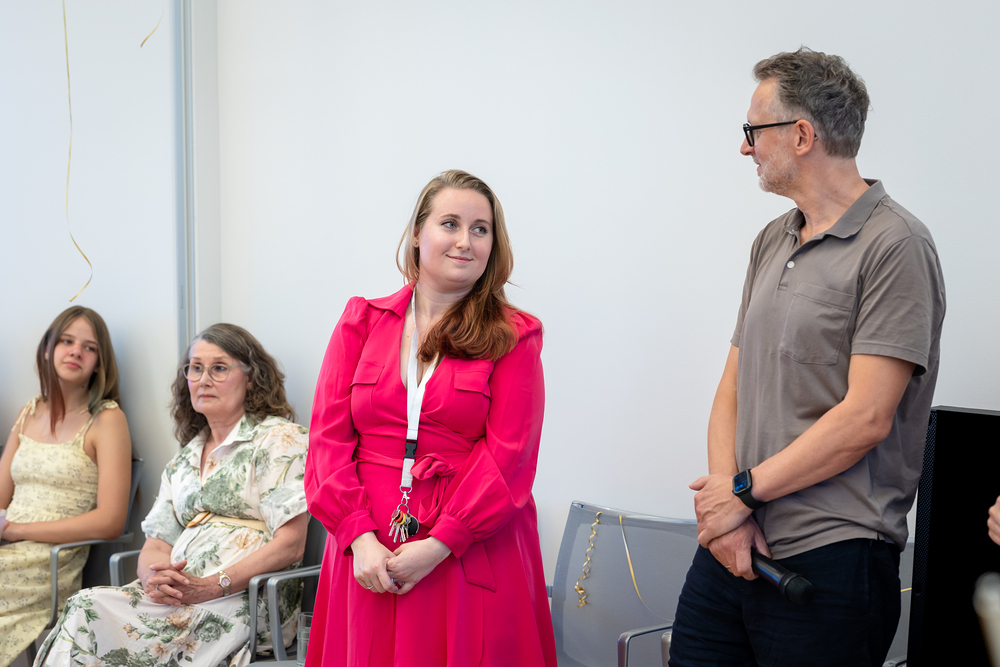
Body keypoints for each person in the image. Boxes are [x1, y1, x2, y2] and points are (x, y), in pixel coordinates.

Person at [668, 48, 946, 667]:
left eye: (753, 130)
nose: (745, 147)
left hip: (832, 558)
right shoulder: (773, 238)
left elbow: (866, 417)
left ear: (801, 135)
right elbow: (733, 386)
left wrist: (742, 493)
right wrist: (729, 508)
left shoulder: (896, 245)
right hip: (735, 546)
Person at [305, 169, 556, 666]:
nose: (465, 241)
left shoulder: (514, 335)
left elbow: (510, 457)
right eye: (450, 224)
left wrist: (442, 544)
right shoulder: (361, 321)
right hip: (367, 548)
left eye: (480, 229)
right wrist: (358, 537)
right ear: (418, 233)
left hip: (468, 545)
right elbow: (326, 441)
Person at [35, 324, 309, 667]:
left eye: (219, 368)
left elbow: (291, 544)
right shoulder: (184, 460)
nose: (203, 379)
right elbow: (156, 545)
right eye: (195, 368)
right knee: (83, 607)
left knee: (88, 614)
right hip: (174, 600)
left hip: (242, 602)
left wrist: (211, 586)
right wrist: (154, 578)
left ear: (251, 378)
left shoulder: (279, 439)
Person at [0, 306, 132, 665]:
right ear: (47, 349)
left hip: (48, 564)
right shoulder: (29, 411)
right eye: (66, 341)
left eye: (89, 348)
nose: (76, 352)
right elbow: (1, 495)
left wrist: (16, 530)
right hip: (7, 547)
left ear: (99, 364)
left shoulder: (107, 419)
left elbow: (110, 522)